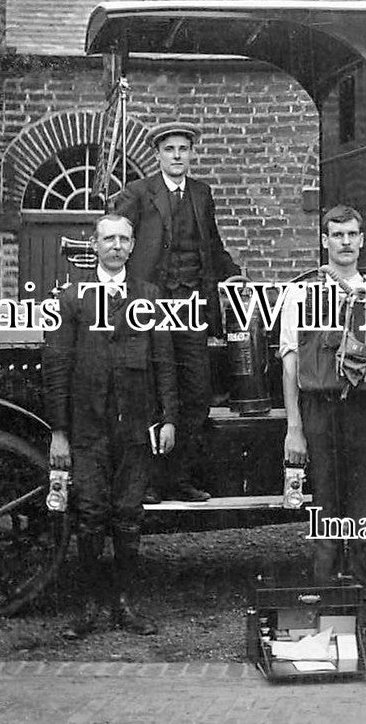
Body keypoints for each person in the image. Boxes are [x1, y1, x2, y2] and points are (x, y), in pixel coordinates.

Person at [43, 214, 178, 638]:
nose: (116, 246)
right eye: (108, 239)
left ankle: (124, 603)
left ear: (133, 245)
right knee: (90, 514)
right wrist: (59, 432)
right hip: (88, 427)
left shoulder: (150, 297)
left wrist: (168, 418)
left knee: (127, 515)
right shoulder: (71, 298)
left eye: (123, 239)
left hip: (135, 427)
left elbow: (163, 365)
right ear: (95, 246)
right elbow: (58, 367)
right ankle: (88, 607)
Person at [114, 121, 241, 503]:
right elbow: (118, 240)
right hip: (149, 308)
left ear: (191, 153)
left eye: (183, 149)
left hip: (191, 308)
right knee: (153, 392)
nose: (177, 156)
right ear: (157, 154)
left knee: (196, 392)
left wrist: (233, 275)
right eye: (169, 150)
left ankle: (178, 477)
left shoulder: (201, 194)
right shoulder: (138, 192)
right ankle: (148, 481)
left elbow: (212, 246)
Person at [280, 205, 366, 583]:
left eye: (352, 234)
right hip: (320, 410)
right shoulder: (300, 294)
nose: (346, 242)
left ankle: (364, 602)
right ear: (325, 241)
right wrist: (294, 428)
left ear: (362, 240)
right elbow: (290, 366)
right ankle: (326, 601)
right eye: (338, 235)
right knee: (326, 506)